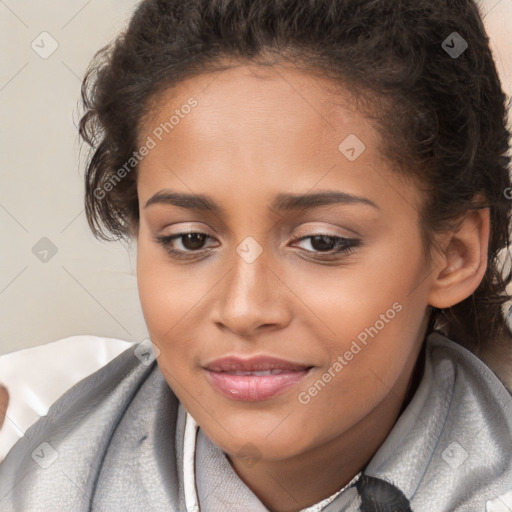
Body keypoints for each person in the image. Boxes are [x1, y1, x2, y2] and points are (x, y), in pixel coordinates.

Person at [1, 0, 512, 510]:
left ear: (454, 253)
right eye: (190, 239)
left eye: (321, 242)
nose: (243, 309)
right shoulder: (25, 438)